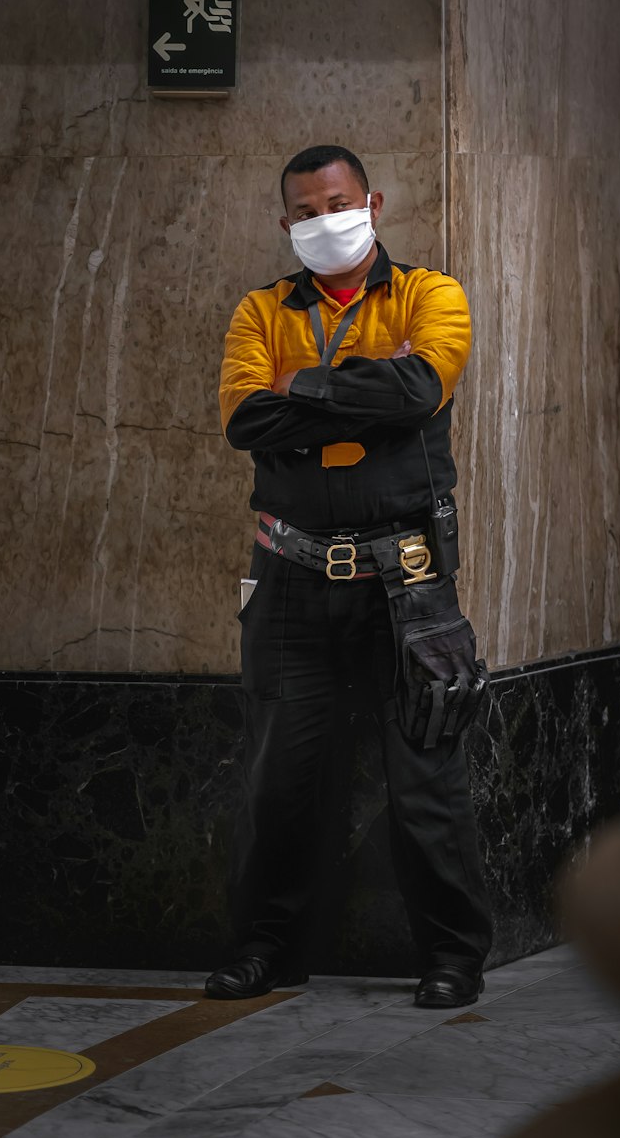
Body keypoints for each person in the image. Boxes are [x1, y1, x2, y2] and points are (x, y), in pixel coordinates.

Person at [208, 144, 492, 1008]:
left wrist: (307, 386)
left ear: (372, 201)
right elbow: (245, 418)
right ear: (285, 222)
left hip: (407, 586)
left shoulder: (429, 295)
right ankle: (266, 950)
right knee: (280, 782)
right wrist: (356, 391)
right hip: (290, 581)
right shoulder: (260, 311)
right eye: (303, 210)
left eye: (335, 201)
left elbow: (420, 388)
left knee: (426, 785)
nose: (322, 219)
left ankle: (452, 958)